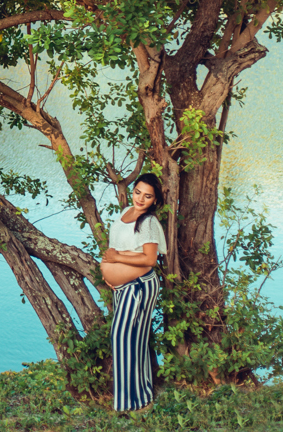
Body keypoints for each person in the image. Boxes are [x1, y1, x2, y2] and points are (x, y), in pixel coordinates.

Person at [100, 172, 166, 412]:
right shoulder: (125, 212)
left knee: (122, 337)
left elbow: (149, 259)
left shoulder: (148, 222)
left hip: (139, 286)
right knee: (133, 340)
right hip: (124, 287)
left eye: (147, 196)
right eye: (138, 192)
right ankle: (141, 395)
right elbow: (122, 247)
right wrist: (112, 273)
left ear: (154, 201)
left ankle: (130, 403)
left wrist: (116, 259)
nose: (140, 199)